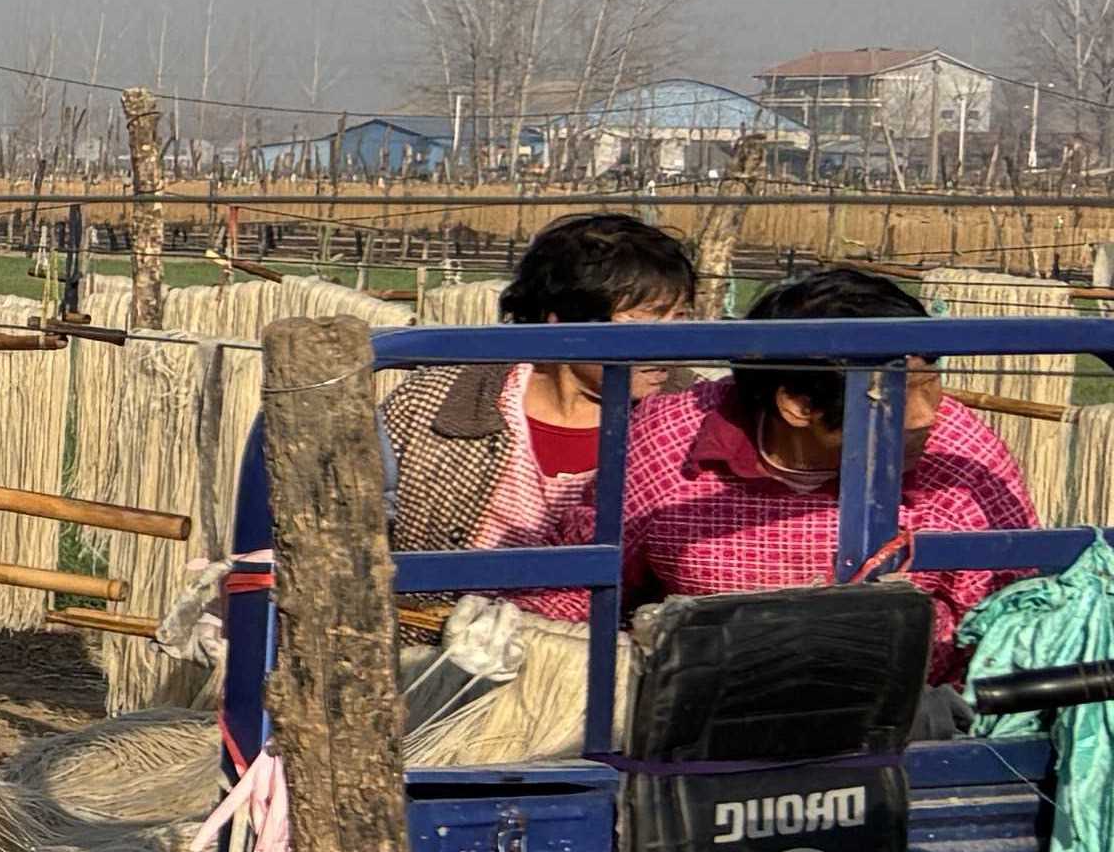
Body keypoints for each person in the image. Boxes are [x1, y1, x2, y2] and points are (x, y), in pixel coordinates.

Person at [616, 257, 1027, 664]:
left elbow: (1014, 619)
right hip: (706, 686)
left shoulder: (962, 454)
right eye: (896, 394)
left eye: (930, 383)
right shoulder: (670, 441)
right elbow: (593, 595)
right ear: (799, 405)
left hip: (912, 693)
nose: (926, 417)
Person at [388, 208, 695, 583]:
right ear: (562, 322)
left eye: (680, 321)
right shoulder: (432, 406)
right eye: (644, 322)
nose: (668, 350)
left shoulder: (696, 426)